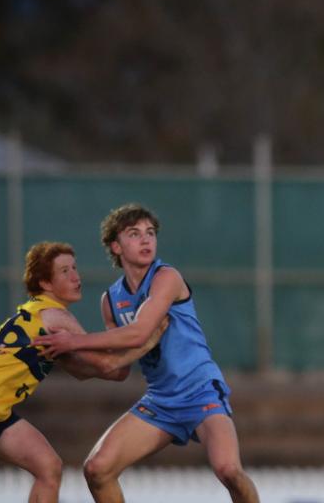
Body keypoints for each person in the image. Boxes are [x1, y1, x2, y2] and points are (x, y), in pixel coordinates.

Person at [33, 204, 259, 503]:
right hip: (161, 400)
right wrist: (65, 358)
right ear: (116, 246)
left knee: (229, 469)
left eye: (150, 233)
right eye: (134, 234)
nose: (146, 240)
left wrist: (74, 342)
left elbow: (140, 333)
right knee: (97, 469)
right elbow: (116, 368)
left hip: (200, 391)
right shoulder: (111, 300)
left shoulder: (167, 277)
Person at [0, 241, 164, 503]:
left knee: (48, 467)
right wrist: (147, 338)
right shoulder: (56, 316)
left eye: (75, 268)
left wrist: (125, 351)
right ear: (45, 283)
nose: (76, 276)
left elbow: (104, 371)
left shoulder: (42, 319)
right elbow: (107, 365)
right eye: (65, 271)